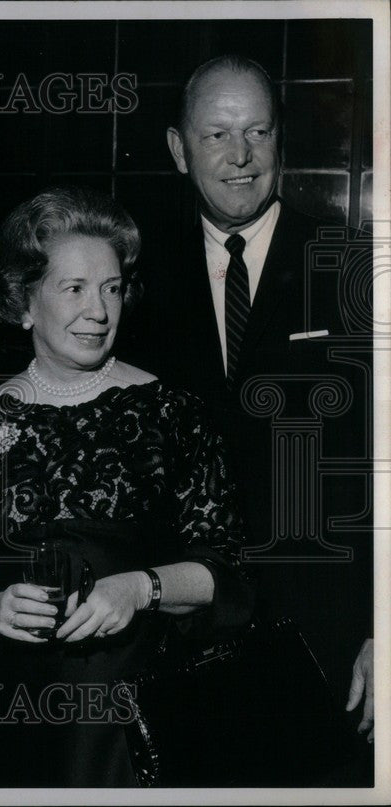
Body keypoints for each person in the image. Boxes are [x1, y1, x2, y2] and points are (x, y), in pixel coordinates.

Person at [0, 186, 253, 787]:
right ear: (23, 302)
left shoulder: (170, 412)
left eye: (110, 287)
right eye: (73, 288)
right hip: (11, 720)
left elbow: (227, 570)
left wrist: (141, 588)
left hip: (133, 726)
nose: (99, 311)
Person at [135, 55, 373, 749]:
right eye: (216, 135)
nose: (240, 156)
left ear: (279, 141)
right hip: (177, 645)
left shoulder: (350, 264)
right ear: (180, 150)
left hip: (330, 637)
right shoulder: (131, 278)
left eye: (257, 132)